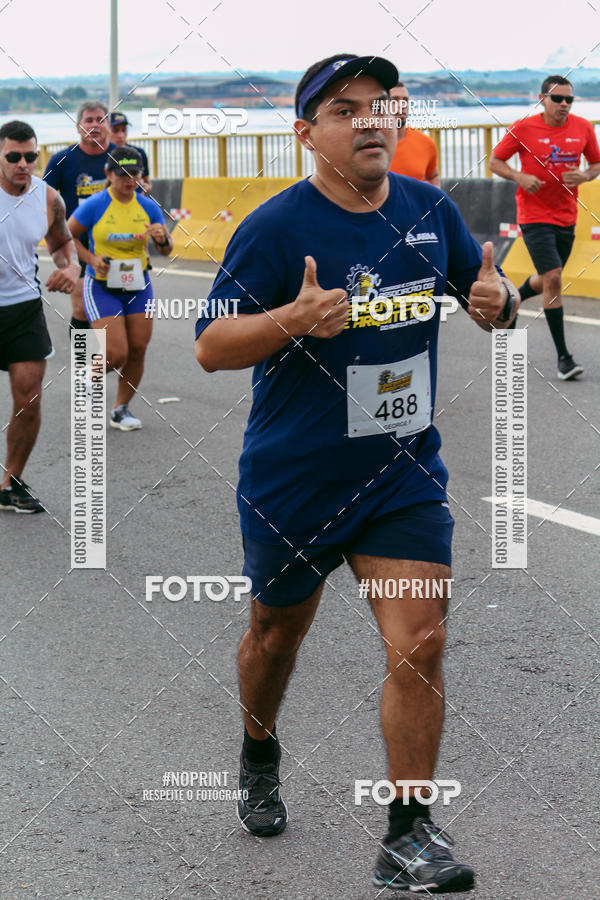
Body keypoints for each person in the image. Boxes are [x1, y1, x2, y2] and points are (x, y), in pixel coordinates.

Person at [195, 53, 518, 893]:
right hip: (296, 479)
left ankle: (408, 833)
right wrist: (289, 320)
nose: (371, 120)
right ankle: (259, 749)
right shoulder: (274, 228)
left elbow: (486, 289)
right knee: (274, 638)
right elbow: (208, 346)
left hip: (402, 472)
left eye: (383, 106)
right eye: (346, 109)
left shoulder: (429, 208)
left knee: (423, 642)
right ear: (307, 134)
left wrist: (502, 303)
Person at [490, 75, 600, 379]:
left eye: (569, 100)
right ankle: (564, 358)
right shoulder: (524, 128)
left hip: (566, 216)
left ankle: (511, 300)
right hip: (533, 214)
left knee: (546, 278)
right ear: (542, 99)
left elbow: (596, 163)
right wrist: (520, 177)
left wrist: (586, 176)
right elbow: (495, 162)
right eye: (557, 99)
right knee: (553, 277)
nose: (564, 104)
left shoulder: (583, 128)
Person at [0, 120, 79, 513]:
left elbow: (63, 244)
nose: (23, 164)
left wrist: (71, 268)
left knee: (29, 399)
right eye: (13, 156)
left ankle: (10, 482)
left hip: (23, 308)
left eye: (30, 156)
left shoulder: (48, 198)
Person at [67, 147, 171, 431]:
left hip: (139, 284)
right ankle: (87, 381)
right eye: (122, 174)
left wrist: (163, 239)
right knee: (117, 352)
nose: (129, 180)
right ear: (108, 174)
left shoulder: (148, 206)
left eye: (134, 174)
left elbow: (166, 249)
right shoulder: (95, 205)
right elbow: (68, 234)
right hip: (101, 285)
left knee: (138, 349)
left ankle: (120, 410)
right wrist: (91, 258)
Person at [44, 101, 116, 333]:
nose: (95, 125)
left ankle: (111, 356)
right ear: (78, 126)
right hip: (77, 243)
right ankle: (83, 365)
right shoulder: (61, 161)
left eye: (100, 120)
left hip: (117, 242)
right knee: (82, 308)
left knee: (116, 308)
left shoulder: (122, 157)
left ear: (108, 126)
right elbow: (44, 200)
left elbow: (139, 193)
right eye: (89, 120)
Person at [388, 81, 440, 186]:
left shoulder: (425, 143)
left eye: (405, 100)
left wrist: (434, 202)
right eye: (394, 100)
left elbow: (433, 176)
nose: (401, 105)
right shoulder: (371, 144)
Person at [108, 112, 152, 194]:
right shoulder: (104, 154)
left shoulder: (139, 153)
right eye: (115, 131)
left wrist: (145, 187)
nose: (121, 135)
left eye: (123, 130)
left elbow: (147, 182)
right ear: (107, 131)